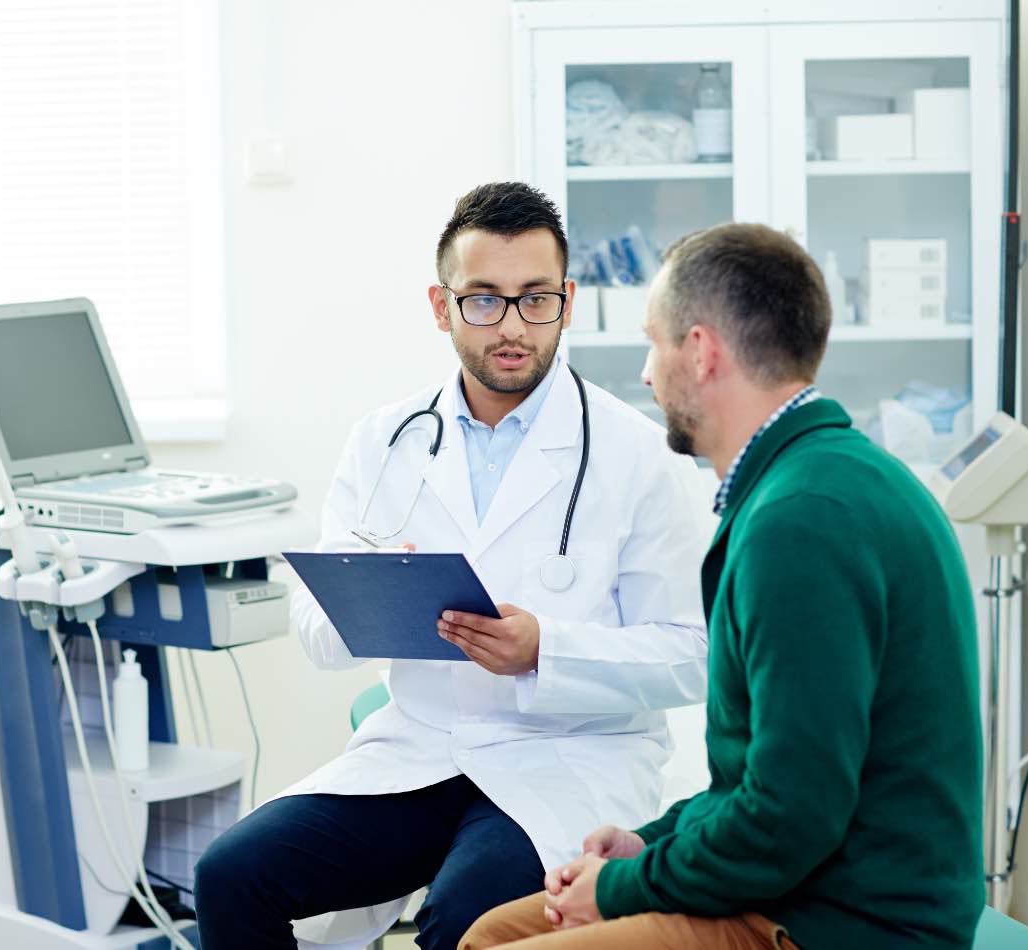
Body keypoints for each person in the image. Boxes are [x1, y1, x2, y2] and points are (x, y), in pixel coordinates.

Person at [193, 181, 711, 950]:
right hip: (422, 748)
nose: (512, 326)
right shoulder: (384, 440)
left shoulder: (637, 454)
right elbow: (315, 630)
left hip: (569, 759)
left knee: (465, 916)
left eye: (535, 299)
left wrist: (547, 650)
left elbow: (692, 653)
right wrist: (371, 600)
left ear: (567, 301)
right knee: (230, 873)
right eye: (483, 300)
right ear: (442, 307)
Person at [459, 222, 984, 950]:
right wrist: (650, 847)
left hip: (843, 920)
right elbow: (762, 781)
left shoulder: (800, 523)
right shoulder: (824, 479)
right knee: (490, 930)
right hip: (803, 882)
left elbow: (790, 816)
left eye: (654, 343)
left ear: (700, 352)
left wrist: (621, 889)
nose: (646, 374)